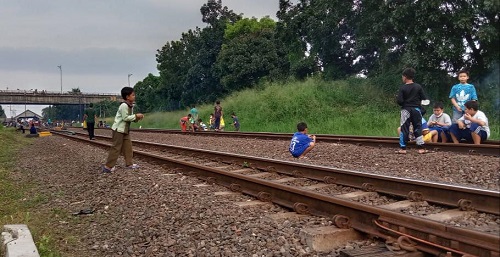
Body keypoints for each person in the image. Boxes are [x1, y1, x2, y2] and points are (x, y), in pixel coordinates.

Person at [102, 87, 144, 173]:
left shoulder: (130, 106)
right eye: (133, 95)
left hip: (125, 130)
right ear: (127, 97)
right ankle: (108, 166)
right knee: (116, 148)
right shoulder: (124, 106)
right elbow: (125, 118)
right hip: (118, 130)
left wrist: (137, 118)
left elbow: (130, 118)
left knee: (128, 147)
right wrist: (136, 116)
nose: (134, 96)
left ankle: (129, 164)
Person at [396, 68, 429, 154]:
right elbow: (424, 98)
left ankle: (403, 148)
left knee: (404, 128)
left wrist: (405, 103)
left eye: (402, 77)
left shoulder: (402, 88)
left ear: (405, 77)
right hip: (416, 109)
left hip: (405, 110)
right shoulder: (418, 86)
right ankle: (420, 148)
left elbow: (399, 101)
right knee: (418, 127)